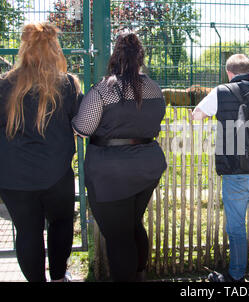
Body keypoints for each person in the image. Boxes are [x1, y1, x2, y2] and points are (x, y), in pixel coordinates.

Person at [72, 32, 167, 282]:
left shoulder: (103, 90)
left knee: (118, 236)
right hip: (147, 168)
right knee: (133, 224)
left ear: (115, 56)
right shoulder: (155, 88)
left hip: (110, 174)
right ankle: (139, 274)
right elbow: (155, 120)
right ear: (140, 57)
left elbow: (83, 128)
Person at [0, 22, 82, 282]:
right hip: (56, 172)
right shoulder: (68, 84)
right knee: (61, 225)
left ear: (24, 48)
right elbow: (80, 124)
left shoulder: (4, 85)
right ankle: (58, 277)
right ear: (55, 49)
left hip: (13, 177)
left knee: (27, 232)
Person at [191, 53, 249, 282]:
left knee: (236, 226)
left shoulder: (220, 91)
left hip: (235, 169)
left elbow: (197, 117)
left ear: (228, 72)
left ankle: (237, 274)